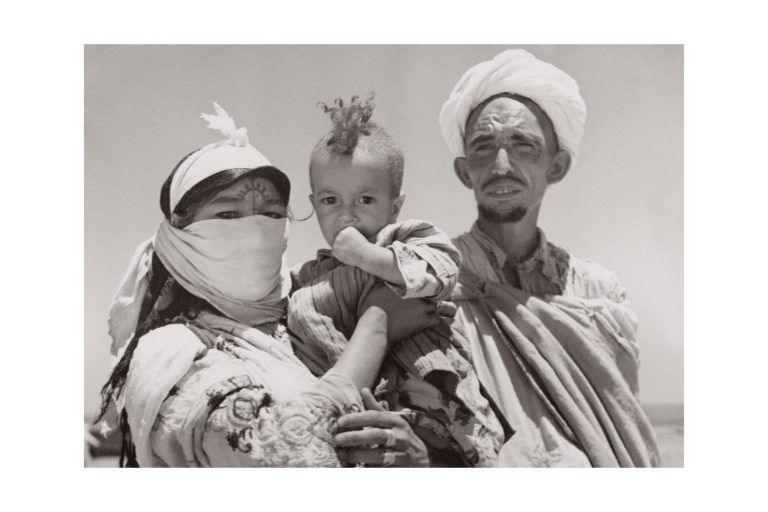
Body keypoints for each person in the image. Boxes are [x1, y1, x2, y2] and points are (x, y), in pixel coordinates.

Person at [96, 102, 430, 467]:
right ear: (179, 235)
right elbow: (284, 456)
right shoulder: (172, 354)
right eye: (227, 214)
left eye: (272, 214)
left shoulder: (310, 319)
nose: (256, 231)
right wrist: (377, 325)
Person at [439, 49, 660, 467]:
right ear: (464, 170)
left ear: (556, 166)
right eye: (483, 148)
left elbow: (623, 433)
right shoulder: (437, 281)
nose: (501, 165)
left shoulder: (598, 294)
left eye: (523, 145)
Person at [287, 94, 509, 466]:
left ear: (395, 206)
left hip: (430, 398)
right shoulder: (307, 278)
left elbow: (440, 271)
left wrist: (369, 257)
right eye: (330, 201)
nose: (347, 215)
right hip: (353, 404)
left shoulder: (406, 239)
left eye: (366, 200)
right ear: (313, 202)